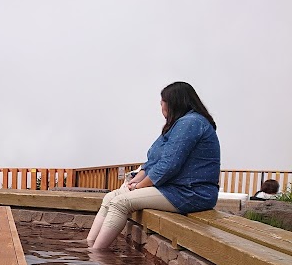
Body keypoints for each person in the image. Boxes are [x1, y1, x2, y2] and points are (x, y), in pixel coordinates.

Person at [86, 82, 221, 250]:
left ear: (173, 102)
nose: (161, 106)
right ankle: (89, 245)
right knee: (109, 198)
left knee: (120, 203)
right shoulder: (178, 125)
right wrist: (134, 183)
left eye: (162, 102)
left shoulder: (190, 123)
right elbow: (153, 162)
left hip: (191, 192)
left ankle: (96, 255)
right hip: (173, 188)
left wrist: (140, 186)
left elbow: (169, 165)